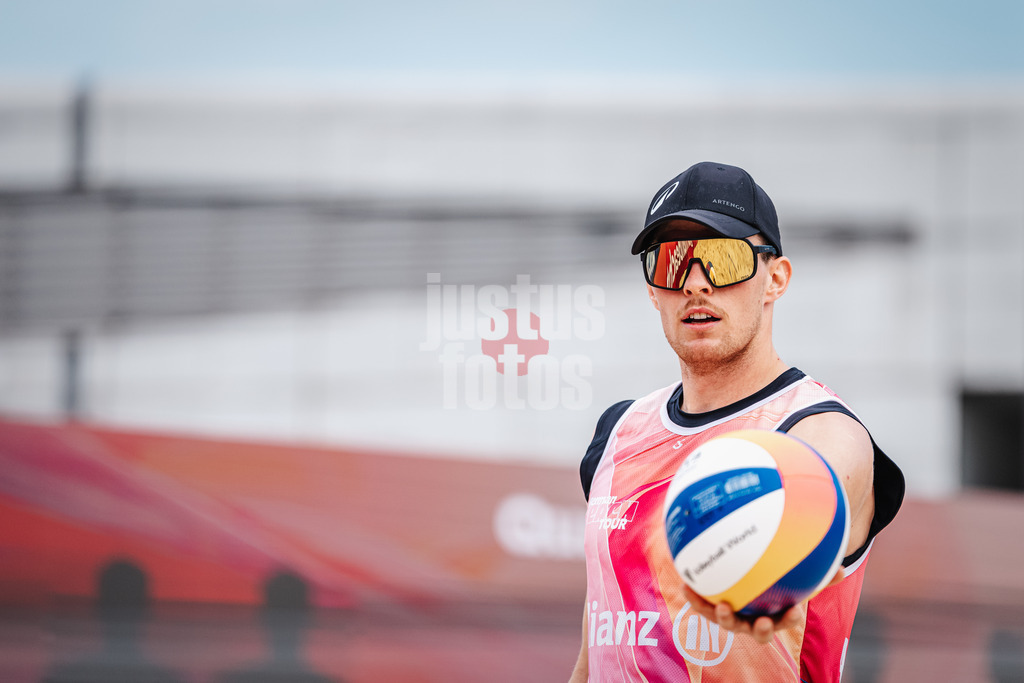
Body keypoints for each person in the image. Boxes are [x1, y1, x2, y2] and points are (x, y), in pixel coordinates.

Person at [569, 162, 904, 682]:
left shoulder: (817, 429)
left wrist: (780, 573)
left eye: (722, 259)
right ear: (653, 292)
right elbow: (596, 654)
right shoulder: (617, 434)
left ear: (776, 279)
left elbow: (816, 493)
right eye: (671, 262)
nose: (695, 284)